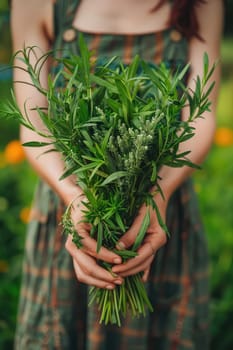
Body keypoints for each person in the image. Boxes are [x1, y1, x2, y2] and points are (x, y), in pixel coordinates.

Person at [11, 0, 223, 349]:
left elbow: (201, 115)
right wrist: (78, 199)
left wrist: (157, 197)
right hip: (75, 217)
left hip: (160, 215)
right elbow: (33, 122)